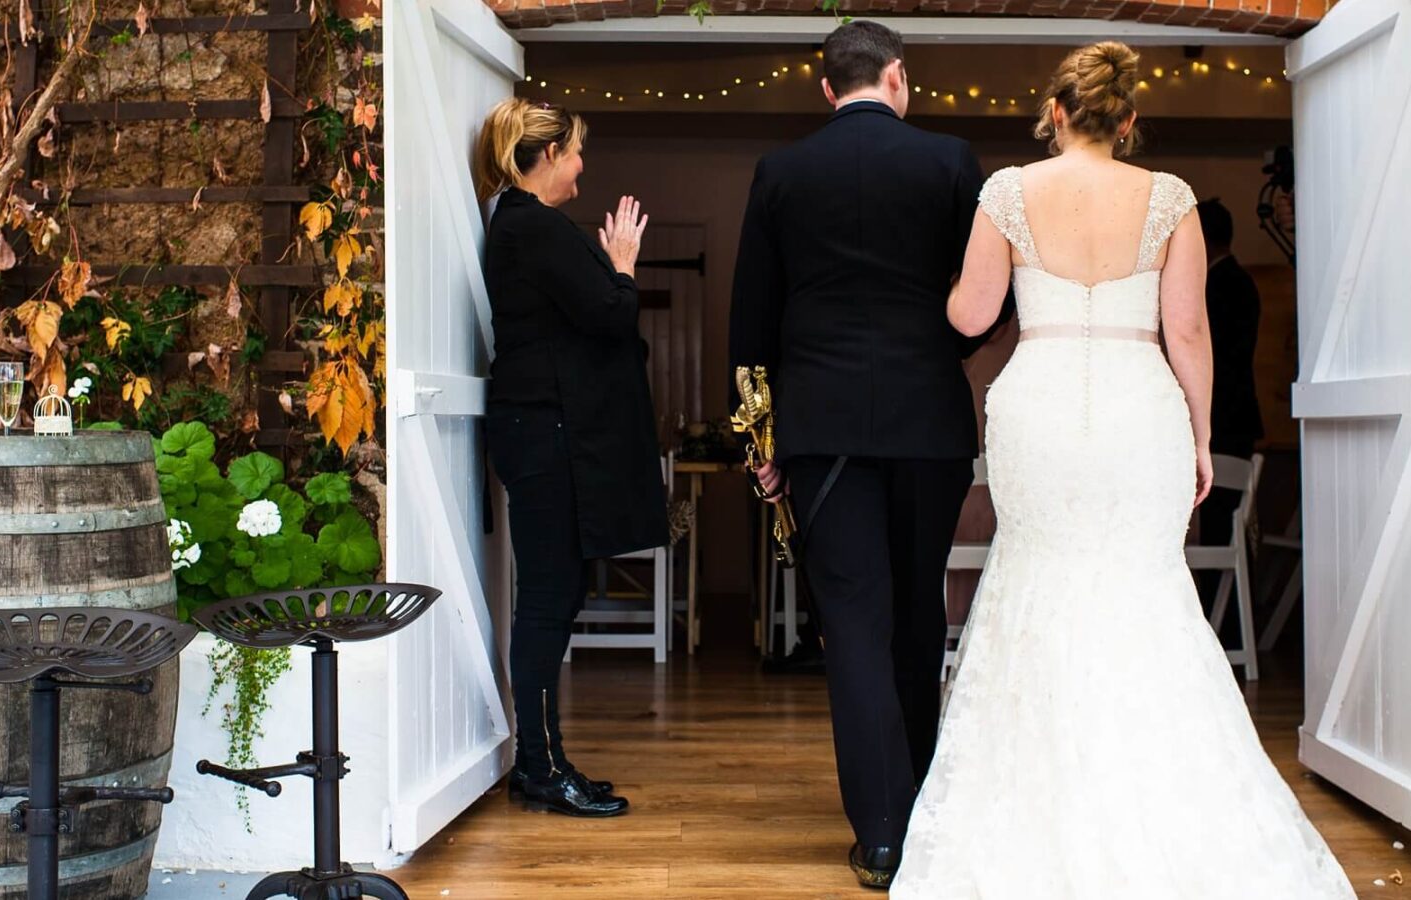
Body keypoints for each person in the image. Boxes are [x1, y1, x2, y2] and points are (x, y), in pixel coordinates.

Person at [893, 42, 1355, 897]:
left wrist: (938, 274)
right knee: (1145, 589)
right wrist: (1199, 437)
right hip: (1142, 406)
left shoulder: (1007, 192)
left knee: (1036, 577)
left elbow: (973, 311)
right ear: (1130, 120)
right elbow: (1188, 334)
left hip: (1038, 406)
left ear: (1056, 111)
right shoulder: (1171, 198)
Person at [728, 20, 1008, 888]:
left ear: (826, 89)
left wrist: (759, 438)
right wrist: (937, 356)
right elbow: (984, 303)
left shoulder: (780, 172)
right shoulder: (951, 162)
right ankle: (919, 805)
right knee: (920, 612)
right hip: (928, 422)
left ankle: (880, 830)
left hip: (821, 430)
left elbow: (751, 321)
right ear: (898, 77)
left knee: (852, 623)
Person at [473, 97, 667, 818]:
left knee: (557, 594)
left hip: (543, 431)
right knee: (551, 598)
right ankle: (539, 766)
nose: (583, 168)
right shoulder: (535, 228)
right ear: (546, 154)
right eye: (577, 152)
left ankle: (543, 758)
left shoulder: (520, 227)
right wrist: (622, 265)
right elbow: (610, 315)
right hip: (545, 434)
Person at [1196, 197, 1265, 552]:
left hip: (1223, 415)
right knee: (1223, 523)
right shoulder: (1238, 281)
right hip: (1234, 413)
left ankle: (1218, 604)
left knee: (1220, 523)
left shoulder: (1218, 286)